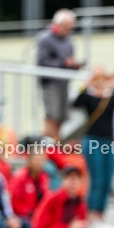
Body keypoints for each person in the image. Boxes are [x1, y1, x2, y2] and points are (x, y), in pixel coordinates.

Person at [73, 69, 114, 228]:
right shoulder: (89, 97)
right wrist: (86, 85)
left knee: (107, 179)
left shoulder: (111, 97)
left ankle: (101, 215)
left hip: (107, 141)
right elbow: (76, 103)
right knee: (96, 178)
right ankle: (92, 215)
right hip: (92, 140)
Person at [36, 9, 83, 141]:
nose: (69, 30)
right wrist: (63, 63)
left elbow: (68, 62)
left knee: (61, 118)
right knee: (52, 116)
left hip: (64, 84)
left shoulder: (68, 41)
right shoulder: (45, 38)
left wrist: (74, 66)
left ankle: (55, 147)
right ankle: (46, 147)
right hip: (50, 84)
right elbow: (42, 62)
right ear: (59, 24)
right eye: (67, 27)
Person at [9, 138, 51, 228]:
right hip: (23, 216)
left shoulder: (44, 177)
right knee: (30, 225)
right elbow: (14, 201)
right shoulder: (20, 177)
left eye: (42, 159)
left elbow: (46, 198)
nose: (40, 162)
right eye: (37, 158)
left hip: (38, 215)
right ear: (30, 158)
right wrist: (29, 212)